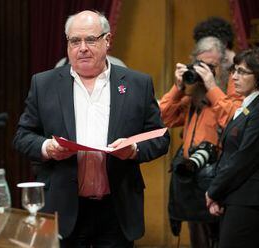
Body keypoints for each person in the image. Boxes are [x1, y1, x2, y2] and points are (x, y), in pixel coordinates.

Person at [14, 10, 170, 248]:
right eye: (75, 41)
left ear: (107, 41)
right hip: (63, 207)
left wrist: (134, 150)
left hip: (116, 209)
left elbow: (160, 137)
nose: (82, 47)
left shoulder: (138, 84)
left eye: (91, 39)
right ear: (67, 45)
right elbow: (22, 137)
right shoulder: (44, 83)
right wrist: (48, 147)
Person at [159, 36, 242, 248]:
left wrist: (213, 87)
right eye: (200, 65)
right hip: (192, 178)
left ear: (224, 67)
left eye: (211, 66)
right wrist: (178, 87)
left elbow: (236, 122)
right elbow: (160, 117)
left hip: (219, 182)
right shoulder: (192, 98)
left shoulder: (232, 95)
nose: (205, 72)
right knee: (197, 239)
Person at [206, 48, 259, 248]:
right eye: (234, 70)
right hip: (236, 196)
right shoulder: (247, 106)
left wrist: (213, 191)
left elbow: (242, 158)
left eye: (243, 72)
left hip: (248, 201)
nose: (235, 77)